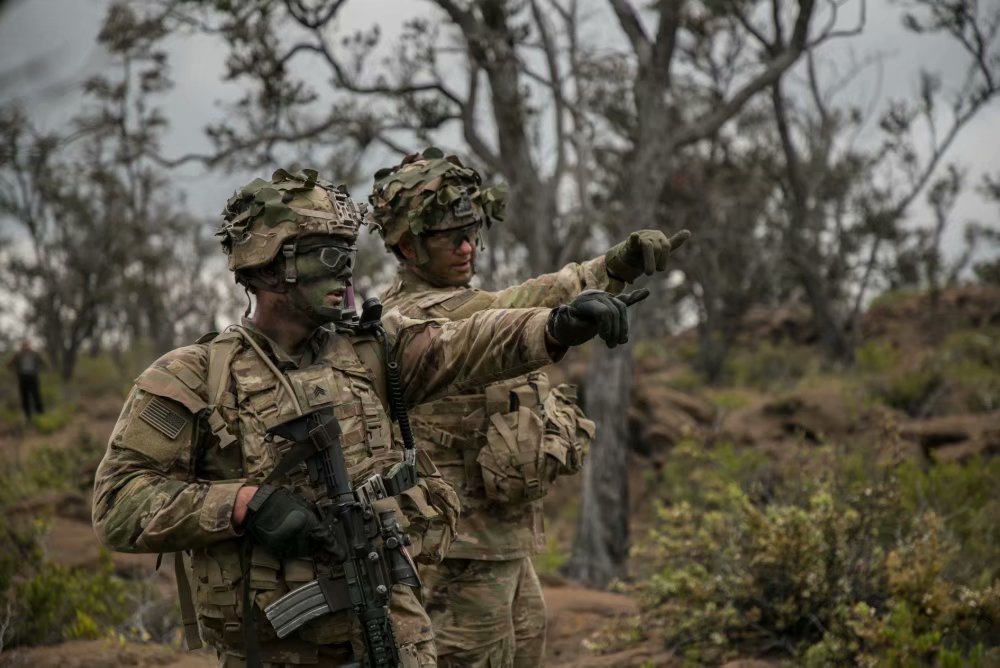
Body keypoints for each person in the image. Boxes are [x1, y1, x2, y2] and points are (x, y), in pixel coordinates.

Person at [92, 168, 647, 668]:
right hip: (280, 647)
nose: (347, 271)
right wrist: (241, 504)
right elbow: (118, 502)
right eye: (328, 255)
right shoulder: (193, 376)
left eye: (348, 253)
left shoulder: (370, 349)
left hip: (393, 627)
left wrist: (558, 325)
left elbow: (468, 342)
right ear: (272, 265)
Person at [369, 148, 689, 667]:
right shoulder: (406, 319)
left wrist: (613, 267)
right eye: (451, 236)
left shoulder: (463, 303)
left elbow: (512, 302)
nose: (467, 246)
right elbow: (507, 312)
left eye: (472, 232)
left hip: (500, 540)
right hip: (455, 552)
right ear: (406, 244)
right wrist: (586, 292)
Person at [7, 340, 46, 421]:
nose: (25, 347)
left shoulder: (34, 354)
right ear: (21, 346)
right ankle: (28, 416)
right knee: (25, 397)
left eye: (27, 345)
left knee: (36, 395)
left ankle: (40, 413)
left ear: (29, 345)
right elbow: (9, 364)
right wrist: (15, 370)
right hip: (23, 377)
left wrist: (39, 370)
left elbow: (43, 362)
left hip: (33, 376)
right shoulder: (18, 355)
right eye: (24, 345)